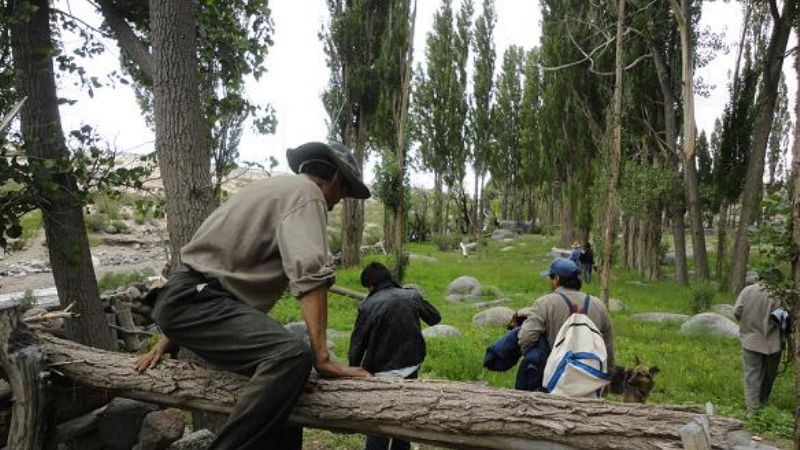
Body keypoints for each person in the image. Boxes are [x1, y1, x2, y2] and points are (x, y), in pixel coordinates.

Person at [135, 141, 372, 450]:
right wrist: (323, 359)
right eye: (344, 192)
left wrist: (170, 336)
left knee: (292, 379)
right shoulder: (308, 195)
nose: (338, 202)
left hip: (191, 299)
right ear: (336, 179)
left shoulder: (275, 188)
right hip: (196, 301)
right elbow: (309, 273)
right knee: (292, 356)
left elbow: (213, 269)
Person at [349, 262, 441, 450]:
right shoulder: (411, 295)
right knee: (405, 416)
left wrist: (352, 370)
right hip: (411, 366)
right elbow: (435, 318)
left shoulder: (368, 305)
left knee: (379, 423)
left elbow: (358, 343)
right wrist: (411, 295)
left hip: (380, 372)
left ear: (371, 285)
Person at [517, 258, 614, 375]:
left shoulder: (545, 303)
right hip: (590, 375)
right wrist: (608, 374)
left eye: (551, 278)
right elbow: (608, 345)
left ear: (557, 279)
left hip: (554, 375)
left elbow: (526, 338)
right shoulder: (598, 305)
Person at [734, 280, 782, 413]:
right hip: (773, 342)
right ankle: (763, 402)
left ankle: (752, 410)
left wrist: (746, 325)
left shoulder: (747, 291)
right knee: (769, 375)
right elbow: (785, 317)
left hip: (751, 340)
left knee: (751, 375)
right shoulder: (778, 293)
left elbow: (737, 311)